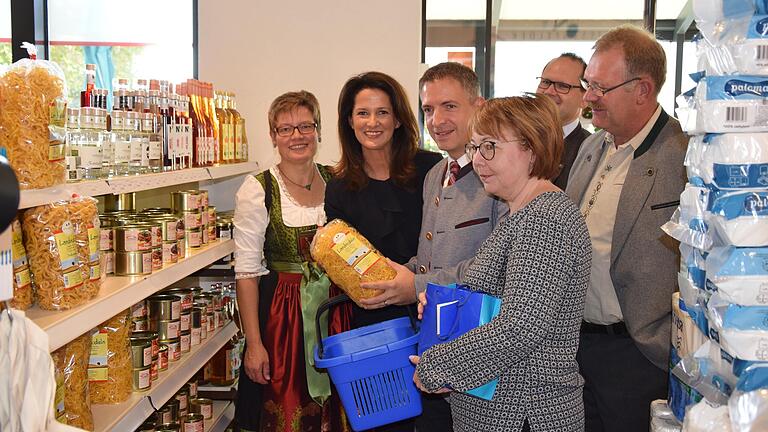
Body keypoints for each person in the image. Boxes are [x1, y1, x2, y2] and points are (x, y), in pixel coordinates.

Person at [413, 95, 592, 432]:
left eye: (490, 147)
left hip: (525, 412)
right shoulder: (521, 214)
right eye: (475, 147)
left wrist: (437, 366)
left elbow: (520, 328)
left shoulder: (545, 218)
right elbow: (502, 303)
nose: (478, 160)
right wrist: (446, 303)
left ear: (533, 149)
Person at [358, 62, 508, 431]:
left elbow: (500, 265)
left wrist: (415, 286)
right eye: (428, 109)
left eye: (449, 106)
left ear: (480, 105)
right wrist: (398, 273)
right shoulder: (434, 175)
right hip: (433, 347)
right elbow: (427, 258)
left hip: (481, 353)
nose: (437, 120)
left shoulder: (502, 175)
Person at [565, 25, 687, 432]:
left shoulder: (683, 155)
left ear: (643, 89)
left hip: (639, 353)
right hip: (579, 346)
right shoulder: (592, 147)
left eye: (600, 87)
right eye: (587, 85)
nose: (588, 98)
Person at [324, 71, 441, 431]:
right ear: (349, 120)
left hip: (435, 309)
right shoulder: (340, 188)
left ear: (398, 118)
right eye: (362, 113)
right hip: (376, 323)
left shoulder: (431, 168)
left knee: (439, 418)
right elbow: (345, 265)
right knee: (387, 418)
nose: (372, 123)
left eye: (382, 113)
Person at [233, 91, 346, 432]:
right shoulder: (258, 190)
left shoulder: (339, 181)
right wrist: (254, 344)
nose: (297, 136)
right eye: (285, 129)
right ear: (273, 136)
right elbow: (247, 274)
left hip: (337, 312)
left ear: (318, 131)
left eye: (305, 126)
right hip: (283, 318)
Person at [535, 53, 591, 190]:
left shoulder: (591, 150)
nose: (549, 91)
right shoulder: (515, 139)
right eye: (545, 82)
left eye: (562, 86)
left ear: (585, 98)